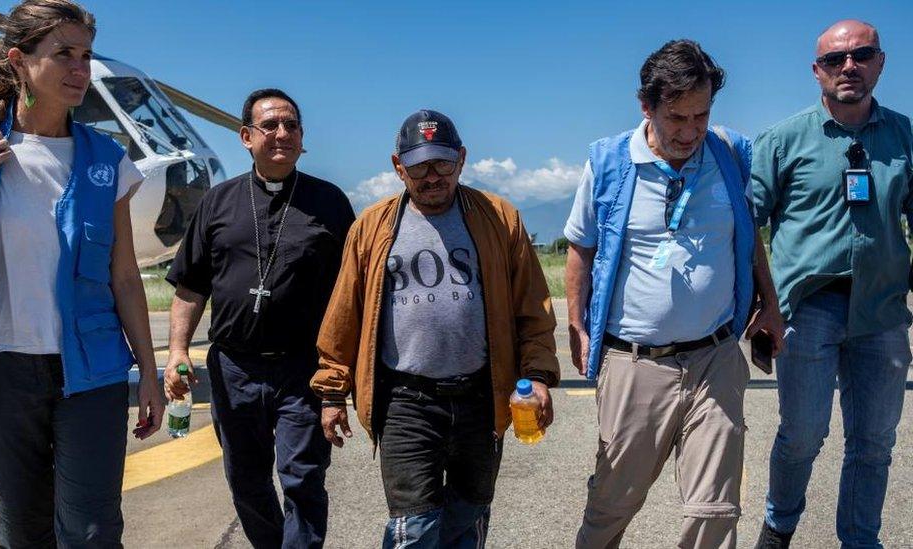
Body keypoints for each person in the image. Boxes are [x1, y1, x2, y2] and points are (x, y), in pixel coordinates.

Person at [0, 1, 163, 546]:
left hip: (92, 374)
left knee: (91, 531)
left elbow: (126, 277)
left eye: (85, 55)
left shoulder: (106, 160)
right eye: (63, 53)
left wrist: (150, 374)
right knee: (21, 531)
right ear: (19, 60)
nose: (80, 69)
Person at [564, 40, 784, 549]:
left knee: (716, 507)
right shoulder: (609, 162)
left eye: (701, 116)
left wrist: (768, 304)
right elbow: (580, 251)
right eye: (676, 118)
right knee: (612, 503)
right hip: (636, 361)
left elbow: (749, 239)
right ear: (646, 106)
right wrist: (576, 325)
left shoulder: (730, 152)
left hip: (715, 357)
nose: (690, 132)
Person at [312, 109, 560, 548]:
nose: (432, 176)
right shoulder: (371, 228)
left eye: (442, 163)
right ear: (398, 166)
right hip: (406, 400)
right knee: (415, 528)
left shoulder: (500, 219)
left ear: (461, 159)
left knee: (469, 516)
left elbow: (533, 311)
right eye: (419, 165)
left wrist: (538, 376)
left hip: (482, 398)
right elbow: (343, 316)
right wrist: (333, 392)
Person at [164, 88, 355, 549]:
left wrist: (343, 376)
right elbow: (190, 286)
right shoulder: (218, 202)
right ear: (246, 136)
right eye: (270, 126)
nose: (282, 134)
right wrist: (175, 353)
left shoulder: (329, 203)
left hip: (303, 370)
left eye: (291, 125)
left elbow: (354, 293)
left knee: (303, 480)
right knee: (246, 482)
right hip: (234, 368)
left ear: (303, 138)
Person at [752, 20, 913, 549]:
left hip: (883, 311)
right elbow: (747, 227)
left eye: (862, 54)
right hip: (808, 309)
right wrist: (759, 305)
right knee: (802, 436)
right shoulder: (782, 140)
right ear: (816, 71)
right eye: (835, 60)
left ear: (881, 62)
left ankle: (860, 539)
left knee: (874, 442)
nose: (849, 67)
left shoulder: (904, 137)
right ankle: (779, 525)